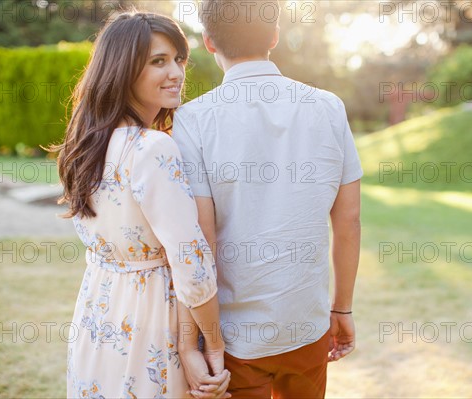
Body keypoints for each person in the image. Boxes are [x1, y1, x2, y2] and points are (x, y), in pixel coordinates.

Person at [173, 1, 363, 397]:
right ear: (275, 35)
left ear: (208, 42)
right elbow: (348, 221)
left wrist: (196, 340)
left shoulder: (192, 119)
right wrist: (341, 308)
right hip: (307, 325)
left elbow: (201, 241)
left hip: (235, 336)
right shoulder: (328, 107)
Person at [52, 11, 230, 398]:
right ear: (122, 70)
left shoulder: (85, 146)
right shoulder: (153, 148)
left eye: (179, 59)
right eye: (157, 61)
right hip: (150, 322)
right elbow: (191, 263)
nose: (176, 72)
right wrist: (211, 345)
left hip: (98, 316)